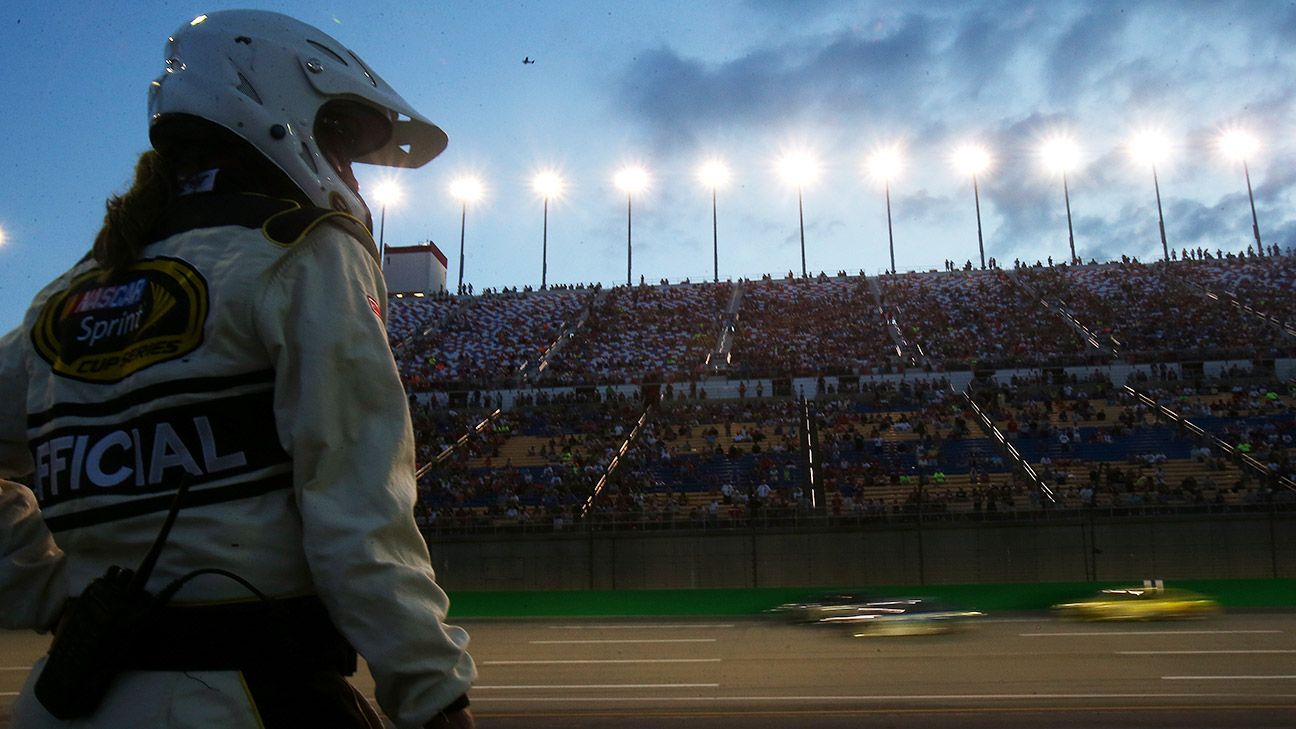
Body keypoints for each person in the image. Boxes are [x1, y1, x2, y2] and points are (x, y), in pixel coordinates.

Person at [0, 10, 475, 728]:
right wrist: (433, 692)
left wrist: (41, 584)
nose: (348, 170)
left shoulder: (65, 294)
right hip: (245, 694)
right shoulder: (303, 251)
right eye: (341, 139)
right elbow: (359, 510)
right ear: (279, 110)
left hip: (66, 697)